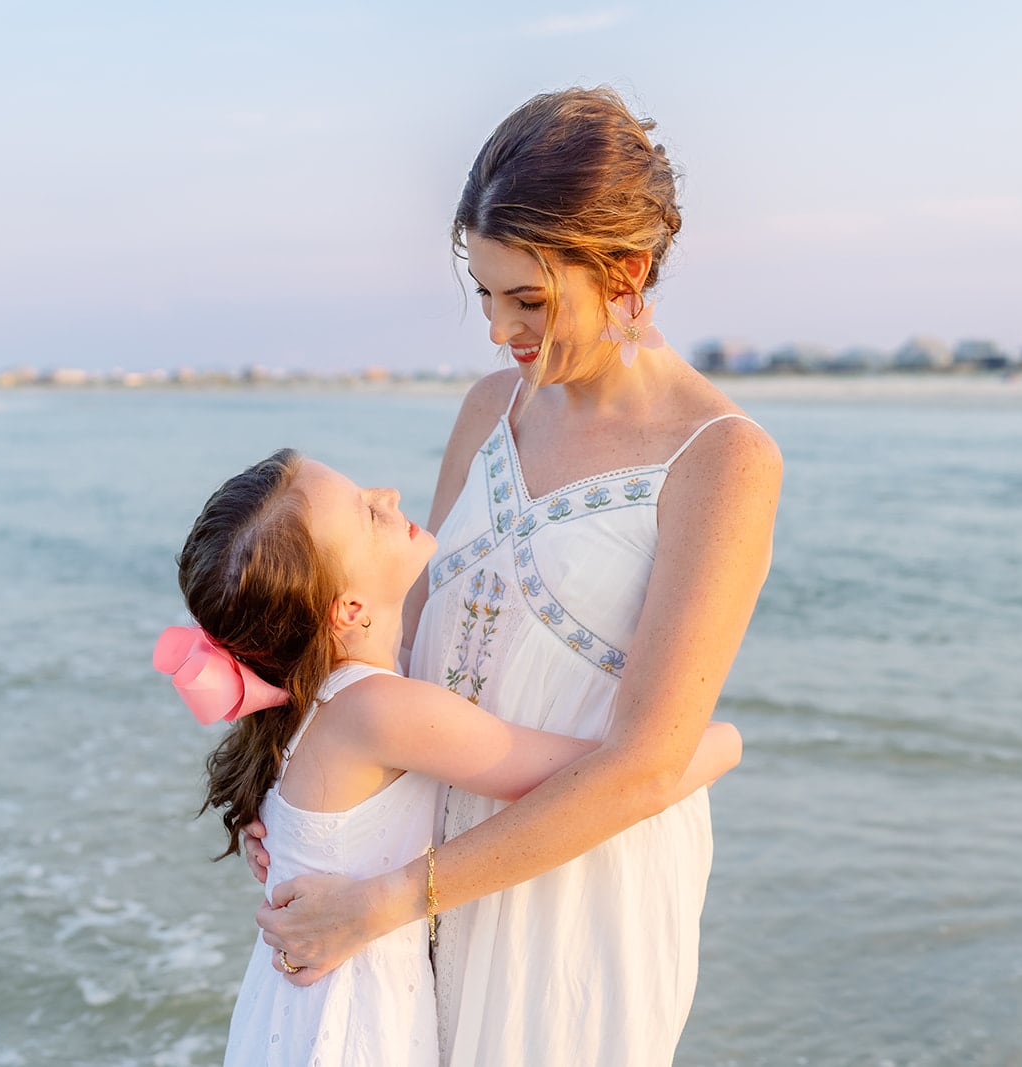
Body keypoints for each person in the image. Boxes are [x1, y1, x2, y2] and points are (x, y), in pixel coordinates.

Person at [250, 86, 782, 1067]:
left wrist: (385, 896)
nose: (499, 330)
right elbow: (395, 649)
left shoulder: (721, 461)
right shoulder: (491, 404)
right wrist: (302, 811)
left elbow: (647, 763)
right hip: (407, 865)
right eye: (483, 292)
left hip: (576, 898)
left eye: (528, 299)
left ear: (624, 270)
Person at [155, 448, 743, 1067]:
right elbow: (584, 775)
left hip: (295, 1003)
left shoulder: (304, 701)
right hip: (351, 1014)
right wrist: (722, 743)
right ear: (348, 610)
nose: (387, 493)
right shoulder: (381, 708)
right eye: (367, 514)